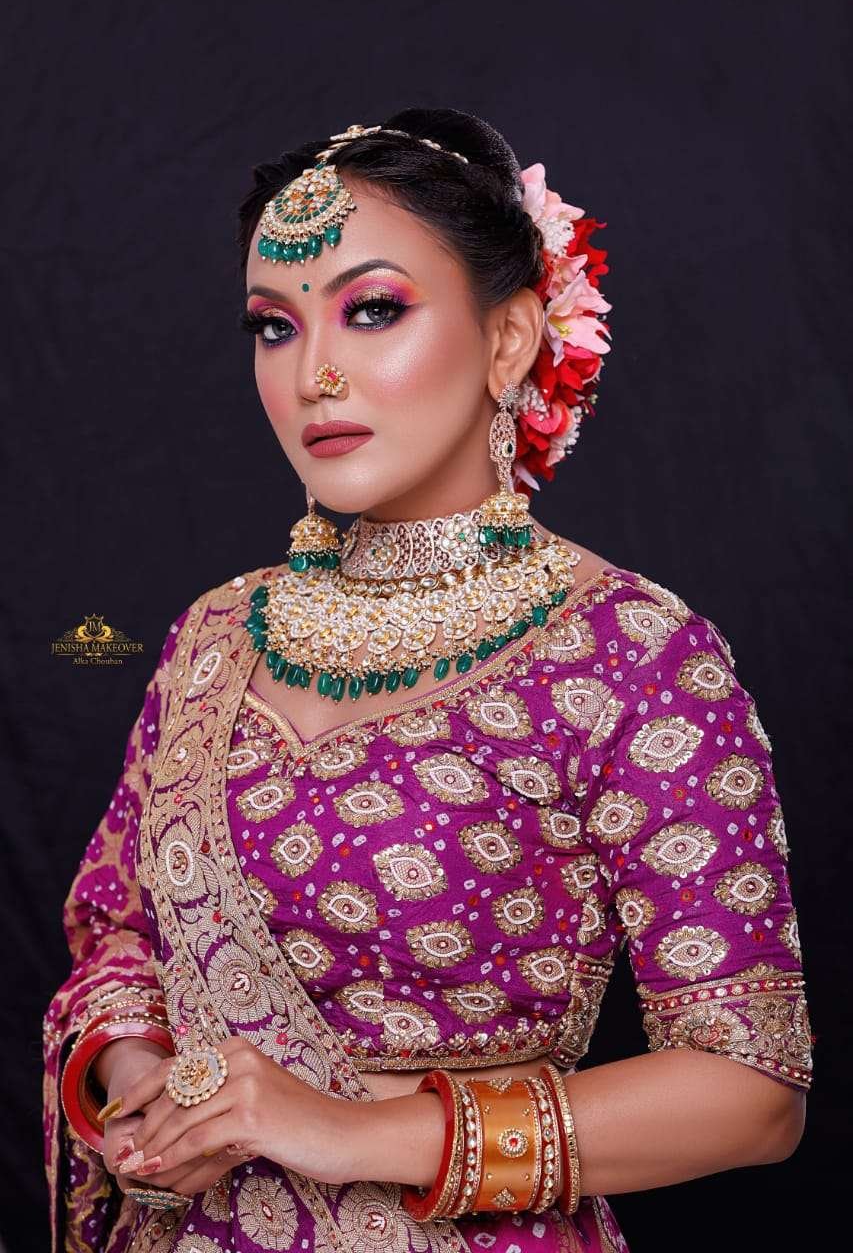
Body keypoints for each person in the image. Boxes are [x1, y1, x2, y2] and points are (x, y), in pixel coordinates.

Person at [43, 108, 814, 1253]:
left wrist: (355, 1130)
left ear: (510, 339)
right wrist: (148, 1080)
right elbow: (119, 928)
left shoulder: (632, 655)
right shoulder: (212, 635)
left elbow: (748, 1088)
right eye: (272, 325)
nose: (314, 374)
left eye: (371, 309)